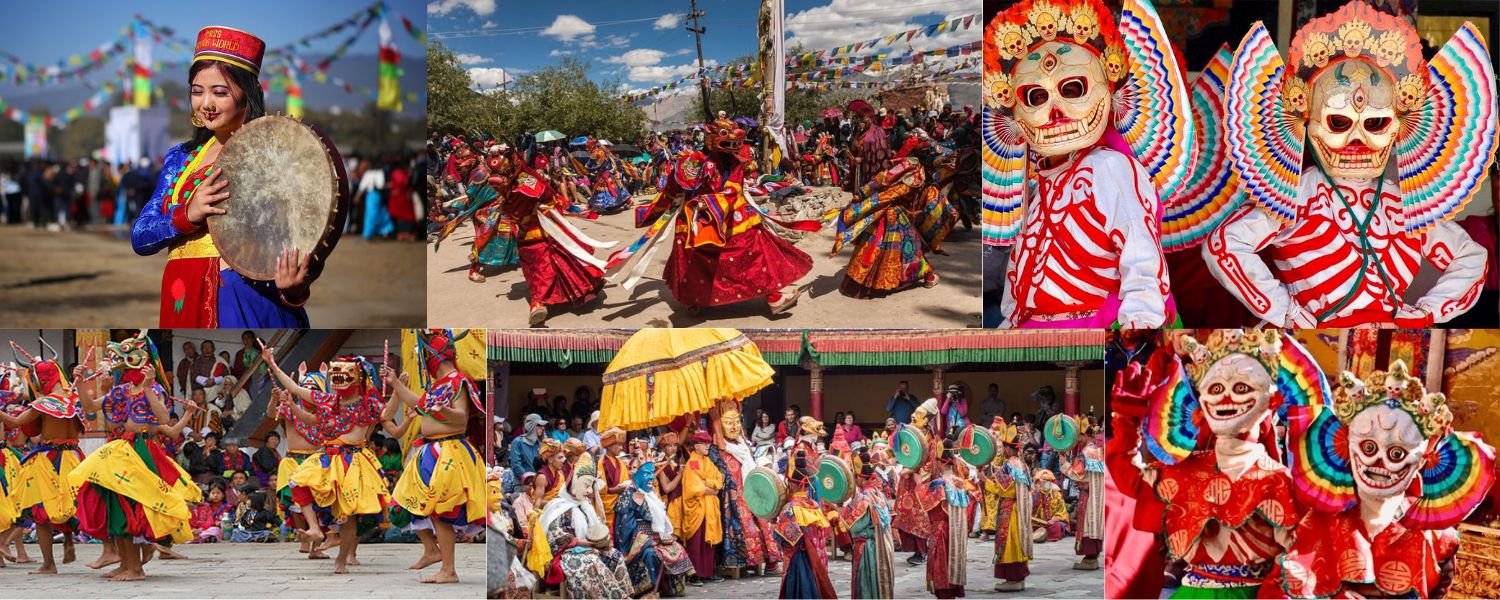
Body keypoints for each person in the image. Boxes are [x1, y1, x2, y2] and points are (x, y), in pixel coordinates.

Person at [1206, 2, 1492, 328]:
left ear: (1398, 129)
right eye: (1339, 122)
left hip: (1387, 338)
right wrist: (1280, 307)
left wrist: (1428, 311)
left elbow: (1471, 258)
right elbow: (1224, 244)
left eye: (1376, 124)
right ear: (1307, 126)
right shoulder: (1299, 195)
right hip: (1310, 338)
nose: (1358, 140)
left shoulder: (1403, 205)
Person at [986, 0, 1182, 327]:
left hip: (1091, 328)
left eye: (1073, 89)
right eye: (1035, 97)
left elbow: (1142, 268)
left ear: (1109, 93)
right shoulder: (1040, 184)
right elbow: (1018, 288)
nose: (1055, 111)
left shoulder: (1110, 168)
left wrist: (1136, 330)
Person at [130, 26, 317, 327]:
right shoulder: (180, 158)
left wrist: (294, 289)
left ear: (248, 95)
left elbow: (290, 244)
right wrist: (186, 216)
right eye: (197, 91)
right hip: (182, 293)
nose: (206, 103)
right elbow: (140, 237)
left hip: (243, 298)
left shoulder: (270, 157)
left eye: (220, 92)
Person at [1111, 330, 1302, 596]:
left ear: (1272, 401)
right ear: (1200, 401)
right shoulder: (1184, 471)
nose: (1226, 398)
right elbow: (1131, 479)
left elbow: (1299, 555)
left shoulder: (1277, 479)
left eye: (1242, 388)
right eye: (1215, 389)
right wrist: (1126, 422)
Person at [615, 117, 815, 316]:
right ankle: (696, 299)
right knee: (704, 260)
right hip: (697, 219)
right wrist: (654, 212)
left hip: (730, 217)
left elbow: (734, 187)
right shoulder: (690, 163)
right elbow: (673, 189)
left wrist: (715, 201)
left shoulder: (736, 161)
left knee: (752, 251)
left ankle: (769, 296)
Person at [70, 332, 202, 581]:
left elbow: (164, 420)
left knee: (132, 506)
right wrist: (79, 382)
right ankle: (126, 563)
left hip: (143, 451)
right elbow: (90, 407)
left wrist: (150, 386)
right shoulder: (121, 390)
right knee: (114, 504)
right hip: (120, 450)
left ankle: (136, 568)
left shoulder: (156, 390)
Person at [263, 347, 390, 575]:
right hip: (327, 456)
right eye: (336, 371)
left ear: (359, 376)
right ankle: (314, 528)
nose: (339, 376)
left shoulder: (368, 403)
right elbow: (294, 388)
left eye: (346, 372)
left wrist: (396, 387)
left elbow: (388, 414)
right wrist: (271, 363)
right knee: (297, 482)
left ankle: (342, 559)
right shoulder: (328, 400)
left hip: (353, 461)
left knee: (348, 517)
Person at [387, 330, 487, 585]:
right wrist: (396, 384)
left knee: (442, 511)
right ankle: (438, 558)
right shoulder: (438, 386)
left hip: (449, 451)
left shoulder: (458, 381)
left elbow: (461, 416)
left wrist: (445, 411)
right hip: (432, 451)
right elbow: (420, 404)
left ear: (433, 357)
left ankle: (449, 570)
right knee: (423, 507)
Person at [831, 127, 956, 297]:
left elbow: (886, 180)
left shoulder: (922, 170)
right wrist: (863, 194)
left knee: (895, 249)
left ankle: (922, 276)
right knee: (910, 250)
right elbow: (884, 179)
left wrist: (863, 194)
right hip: (895, 213)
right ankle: (925, 276)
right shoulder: (915, 167)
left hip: (895, 212)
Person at [0, 342, 88, 575]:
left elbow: (17, 423)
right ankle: (69, 539)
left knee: (41, 511)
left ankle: (49, 564)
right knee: (71, 502)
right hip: (74, 456)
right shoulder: (72, 398)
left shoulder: (44, 404)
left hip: (50, 459)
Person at [269, 365, 331, 559]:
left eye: (315, 389)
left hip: (317, 462)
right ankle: (304, 536)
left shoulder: (326, 412)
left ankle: (316, 547)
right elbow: (272, 414)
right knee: (295, 502)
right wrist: (274, 398)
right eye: (307, 387)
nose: (310, 393)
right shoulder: (290, 408)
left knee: (319, 505)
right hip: (293, 461)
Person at [842, 446, 895, 599]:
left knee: (867, 587)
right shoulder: (879, 493)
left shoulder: (863, 497)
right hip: (883, 545)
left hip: (868, 549)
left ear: (860, 478)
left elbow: (853, 526)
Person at [680, 431, 724, 585]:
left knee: (708, 541)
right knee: (696, 542)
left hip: (709, 506)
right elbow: (695, 488)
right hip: (697, 508)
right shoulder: (693, 462)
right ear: (696, 446)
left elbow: (720, 479)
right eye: (704, 443)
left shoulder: (707, 462)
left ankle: (708, 572)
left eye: (708, 443)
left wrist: (708, 483)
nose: (708, 446)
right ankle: (694, 575)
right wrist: (711, 488)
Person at [990, 439, 1032, 592]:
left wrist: (985, 482)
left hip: (1010, 509)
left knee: (1010, 544)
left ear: (1008, 449)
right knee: (1017, 542)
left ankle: (1013, 579)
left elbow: (1005, 490)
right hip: (1020, 509)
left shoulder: (1009, 465)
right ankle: (1018, 579)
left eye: (1003, 447)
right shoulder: (1023, 465)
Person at [510, 413, 545, 482]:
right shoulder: (517, 442)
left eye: (542, 426)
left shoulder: (540, 443)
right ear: (531, 426)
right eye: (539, 425)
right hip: (523, 483)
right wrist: (529, 478)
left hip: (539, 482)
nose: (543, 428)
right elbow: (516, 466)